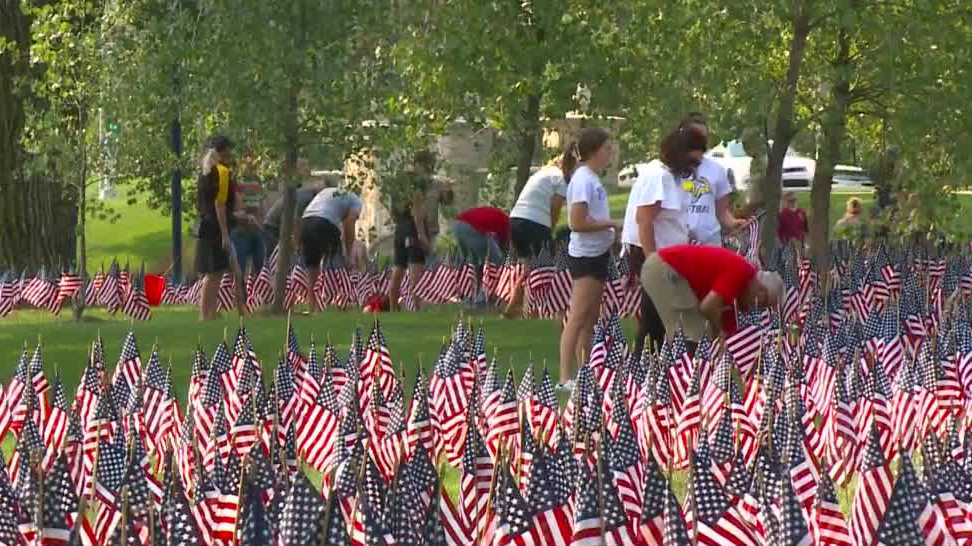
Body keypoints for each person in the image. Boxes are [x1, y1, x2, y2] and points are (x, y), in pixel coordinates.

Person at [621, 125, 697, 356]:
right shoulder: (659, 177)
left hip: (669, 254)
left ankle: (653, 363)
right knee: (658, 316)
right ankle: (649, 365)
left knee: (659, 317)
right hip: (657, 255)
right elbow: (644, 220)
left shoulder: (665, 175)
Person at [558, 127, 617, 391]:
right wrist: (611, 223)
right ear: (594, 151)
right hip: (586, 255)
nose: (610, 153)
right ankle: (564, 376)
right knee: (578, 315)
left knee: (591, 317)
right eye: (607, 148)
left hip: (598, 253)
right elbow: (577, 222)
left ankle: (585, 372)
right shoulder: (583, 179)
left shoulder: (592, 178)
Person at [641, 244, 783, 351]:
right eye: (762, 304)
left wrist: (724, 340)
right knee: (693, 338)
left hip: (660, 269)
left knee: (652, 337)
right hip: (666, 271)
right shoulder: (740, 271)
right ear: (760, 292)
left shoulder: (738, 294)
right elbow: (708, 307)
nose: (756, 308)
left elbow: (728, 329)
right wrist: (718, 332)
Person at [504, 146, 577, 318]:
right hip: (535, 224)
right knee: (542, 269)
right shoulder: (560, 179)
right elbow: (556, 208)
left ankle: (513, 308)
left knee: (528, 268)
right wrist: (551, 231)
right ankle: (535, 309)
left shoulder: (542, 173)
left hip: (515, 221)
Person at [195, 135, 254, 321]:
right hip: (216, 227)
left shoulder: (206, 172)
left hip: (206, 224)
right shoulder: (222, 172)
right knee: (214, 273)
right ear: (223, 152)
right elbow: (219, 205)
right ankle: (206, 314)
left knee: (216, 272)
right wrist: (225, 234)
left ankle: (212, 312)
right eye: (229, 150)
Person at [388, 151, 452, 311]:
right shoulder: (416, 184)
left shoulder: (406, 183)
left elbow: (447, 202)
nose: (429, 168)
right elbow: (417, 210)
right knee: (415, 266)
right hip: (415, 228)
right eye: (427, 164)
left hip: (403, 228)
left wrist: (448, 190)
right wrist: (421, 234)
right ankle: (416, 307)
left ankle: (393, 306)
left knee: (399, 267)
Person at [677, 114, 749, 246]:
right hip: (678, 242)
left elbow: (721, 211)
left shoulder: (717, 170)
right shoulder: (671, 169)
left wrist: (733, 223)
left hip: (709, 243)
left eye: (703, 138)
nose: (700, 143)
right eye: (695, 138)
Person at [300, 187, 363, 311]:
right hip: (325, 222)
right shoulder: (356, 200)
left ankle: (313, 307)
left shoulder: (326, 192)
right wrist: (349, 254)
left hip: (306, 222)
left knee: (313, 266)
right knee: (338, 265)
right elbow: (349, 222)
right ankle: (343, 303)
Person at [452, 206, 510, 304]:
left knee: (475, 264)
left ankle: (471, 295)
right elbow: (505, 247)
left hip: (458, 225)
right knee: (497, 263)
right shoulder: (508, 225)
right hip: (471, 227)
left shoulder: (500, 218)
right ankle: (484, 297)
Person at [262, 159, 319, 253]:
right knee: (273, 257)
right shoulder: (305, 195)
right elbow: (296, 220)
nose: (307, 169)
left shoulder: (303, 191)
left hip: (280, 225)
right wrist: (296, 244)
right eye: (304, 167)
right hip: (273, 228)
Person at [231, 158, 266, 274]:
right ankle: (238, 289)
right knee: (239, 268)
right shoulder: (231, 187)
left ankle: (256, 289)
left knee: (261, 267)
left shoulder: (254, 185)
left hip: (256, 230)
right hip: (239, 232)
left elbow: (260, 208)